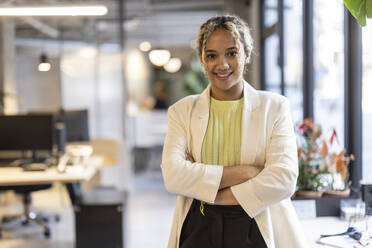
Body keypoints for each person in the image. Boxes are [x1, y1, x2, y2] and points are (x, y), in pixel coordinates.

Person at [161, 15, 308, 248]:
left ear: (247, 54)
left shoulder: (275, 107)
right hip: (198, 225)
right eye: (212, 55)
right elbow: (173, 176)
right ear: (201, 59)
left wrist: (212, 193)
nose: (223, 64)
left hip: (255, 223)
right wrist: (247, 172)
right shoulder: (182, 111)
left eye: (232, 52)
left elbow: (284, 178)